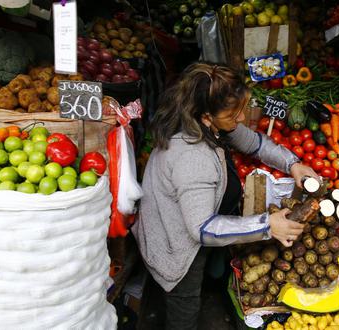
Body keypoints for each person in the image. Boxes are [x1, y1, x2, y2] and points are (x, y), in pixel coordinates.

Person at [135, 63, 319, 330]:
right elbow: (203, 229)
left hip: (189, 224)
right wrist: (268, 225)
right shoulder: (192, 156)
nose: (242, 118)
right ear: (207, 115)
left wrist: (292, 163)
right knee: (184, 310)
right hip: (176, 245)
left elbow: (254, 143)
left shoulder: (205, 120)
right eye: (234, 114)